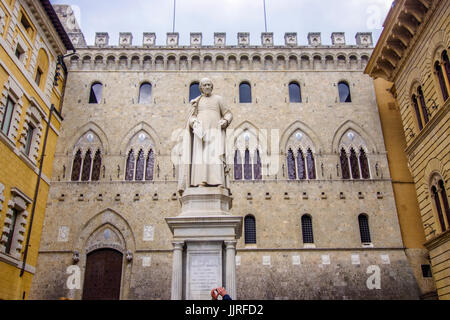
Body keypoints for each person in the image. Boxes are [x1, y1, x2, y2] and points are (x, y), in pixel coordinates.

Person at [177, 78, 233, 195]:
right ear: (201, 88)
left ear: (212, 87)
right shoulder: (197, 101)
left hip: (215, 131)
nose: (207, 87)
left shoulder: (218, 99)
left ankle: (218, 181)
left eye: (209, 85)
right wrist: (194, 123)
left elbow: (228, 113)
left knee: (216, 156)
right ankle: (200, 181)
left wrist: (225, 121)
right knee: (200, 158)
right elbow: (191, 117)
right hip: (200, 134)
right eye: (205, 85)